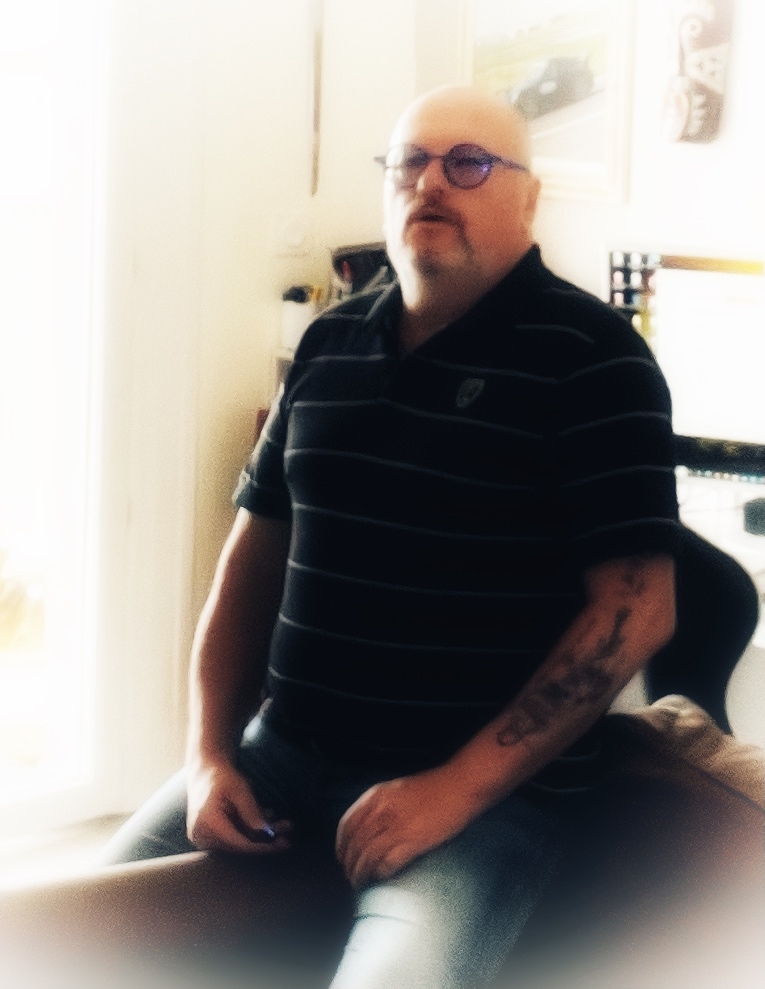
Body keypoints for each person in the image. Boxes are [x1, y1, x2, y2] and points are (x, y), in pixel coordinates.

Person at [104, 86, 679, 988]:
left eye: (468, 163)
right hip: (280, 759)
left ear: (528, 199)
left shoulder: (594, 359)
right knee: (70, 937)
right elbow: (249, 566)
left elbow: (635, 610)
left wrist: (453, 788)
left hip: (482, 799)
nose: (430, 183)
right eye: (410, 161)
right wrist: (209, 755)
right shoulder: (327, 344)